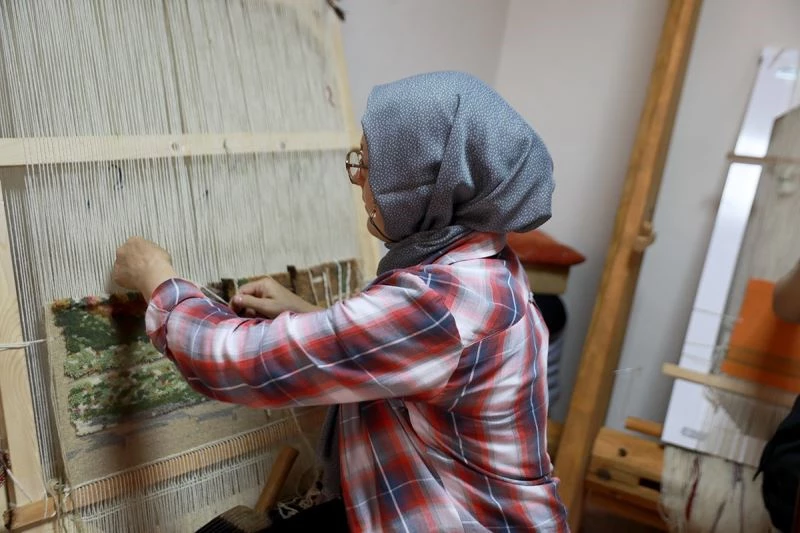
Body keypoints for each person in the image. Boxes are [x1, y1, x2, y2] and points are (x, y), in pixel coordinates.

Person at [113, 71, 568, 532]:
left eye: (371, 166)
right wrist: (308, 315)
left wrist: (156, 278)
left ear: (426, 188)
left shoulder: (438, 305)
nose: (359, 181)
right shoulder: (485, 264)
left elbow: (240, 362)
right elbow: (419, 359)